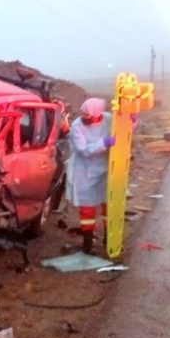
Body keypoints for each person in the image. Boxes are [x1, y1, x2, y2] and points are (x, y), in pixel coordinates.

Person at [65, 97, 115, 253]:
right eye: (82, 114)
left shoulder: (108, 119)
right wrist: (104, 143)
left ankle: (110, 238)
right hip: (85, 171)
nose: (83, 117)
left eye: (87, 115)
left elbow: (126, 127)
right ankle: (87, 244)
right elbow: (83, 149)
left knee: (109, 205)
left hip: (107, 168)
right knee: (87, 209)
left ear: (97, 114)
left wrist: (132, 119)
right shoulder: (77, 126)